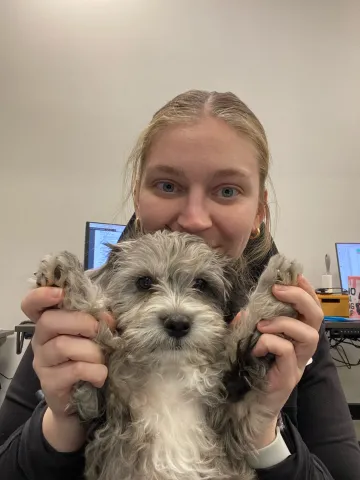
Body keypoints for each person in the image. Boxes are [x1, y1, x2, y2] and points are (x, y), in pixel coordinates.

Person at [0, 90, 359, 480]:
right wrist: (60, 422)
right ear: (138, 195)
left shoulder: (291, 325)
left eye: (227, 191)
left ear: (259, 211)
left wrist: (261, 429)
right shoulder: (79, 313)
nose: (193, 219)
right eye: (168, 185)